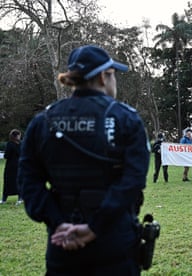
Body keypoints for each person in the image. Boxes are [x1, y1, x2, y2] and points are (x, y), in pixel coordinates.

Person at [17, 45, 150, 275]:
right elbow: (133, 181)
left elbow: (28, 183)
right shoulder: (125, 119)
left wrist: (58, 222)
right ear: (103, 76)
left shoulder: (43, 121)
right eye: (113, 75)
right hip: (114, 245)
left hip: (63, 243)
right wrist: (95, 227)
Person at [1, 129, 22, 205]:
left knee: (13, 182)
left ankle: (18, 198)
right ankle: (5, 199)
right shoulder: (17, 144)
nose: (20, 137)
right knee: (12, 182)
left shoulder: (14, 144)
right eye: (19, 135)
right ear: (15, 136)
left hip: (14, 166)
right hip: (14, 166)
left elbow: (6, 156)